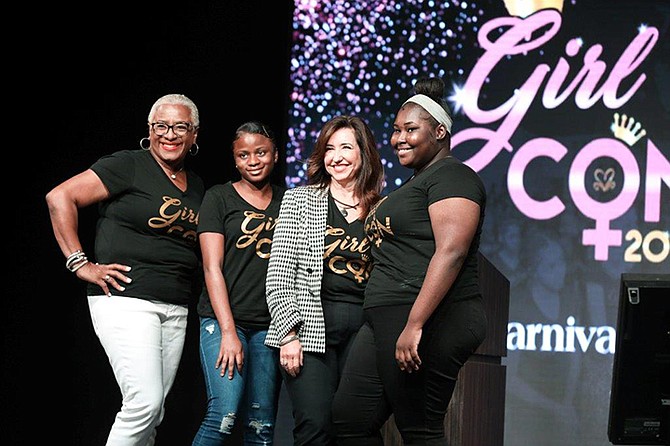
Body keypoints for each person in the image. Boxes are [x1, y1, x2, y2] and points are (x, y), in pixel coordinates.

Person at [331, 76, 488, 445]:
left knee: (419, 428)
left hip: (428, 317)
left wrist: (415, 324)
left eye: (411, 129)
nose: (399, 138)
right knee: (349, 421)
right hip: (385, 316)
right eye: (396, 130)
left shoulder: (454, 176)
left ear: (439, 132)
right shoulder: (417, 183)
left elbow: (452, 251)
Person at [45, 93, 205, 446]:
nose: (170, 134)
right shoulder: (129, 165)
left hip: (174, 306)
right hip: (125, 299)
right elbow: (60, 197)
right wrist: (80, 263)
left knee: (154, 411)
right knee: (143, 403)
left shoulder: (196, 186)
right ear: (149, 130)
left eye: (181, 126)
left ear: (194, 135)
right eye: (161, 125)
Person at [265, 115, 385, 446]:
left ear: (364, 153)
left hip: (363, 333)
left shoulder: (381, 210)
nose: (336, 157)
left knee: (355, 428)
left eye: (346, 147)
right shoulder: (300, 200)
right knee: (314, 426)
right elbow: (279, 276)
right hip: (309, 330)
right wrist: (288, 334)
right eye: (329, 149)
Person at [192, 121, 286, 445]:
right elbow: (211, 267)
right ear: (235, 160)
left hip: (268, 328)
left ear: (274, 155)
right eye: (244, 155)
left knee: (261, 427)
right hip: (223, 323)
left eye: (261, 152)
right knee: (224, 417)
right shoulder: (218, 198)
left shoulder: (288, 202)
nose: (253, 160)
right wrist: (229, 332)